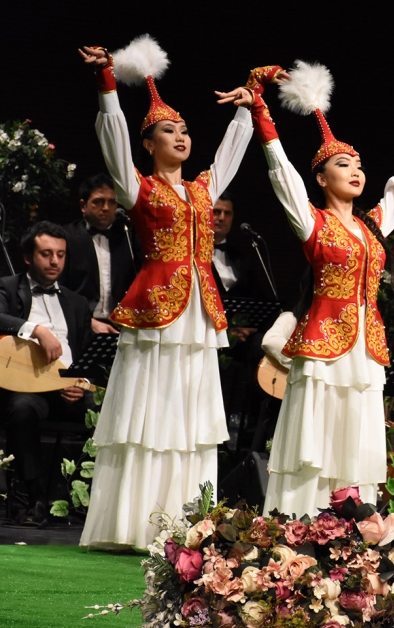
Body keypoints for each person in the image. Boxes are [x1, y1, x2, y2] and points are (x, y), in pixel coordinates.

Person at [216, 61, 394, 516]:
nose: (355, 170)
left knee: (356, 437)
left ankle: (352, 528)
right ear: (321, 179)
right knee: (317, 437)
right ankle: (300, 524)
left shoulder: (371, 228)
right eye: (342, 164)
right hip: (324, 346)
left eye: (359, 165)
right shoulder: (314, 222)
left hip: (365, 348)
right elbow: (283, 175)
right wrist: (264, 115)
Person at [77, 35, 254, 549]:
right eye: (167, 131)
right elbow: (113, 141)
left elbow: (230, 157)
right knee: (150, 410)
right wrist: (107, 83)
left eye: (184, 130)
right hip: (157, 313)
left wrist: (247, 110)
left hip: (199, 314)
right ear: (148, 144)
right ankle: (135, 524)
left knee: (191, 411)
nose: (180, 137)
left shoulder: (203, 190)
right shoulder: (139, 188)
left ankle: (184, 525)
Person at [0, 221, 92, 525]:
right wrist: (35, 329)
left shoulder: (77, 302)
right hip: (28, 384)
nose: (54, 262)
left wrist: (83, 381)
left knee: (113, 412)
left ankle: (95, 504)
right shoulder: (9, 287)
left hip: (68, 387)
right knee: (22, 409)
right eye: (46, 254)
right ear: (28, 257)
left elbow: (89, 355)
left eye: (61, 255)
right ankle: (35, 497)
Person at [60, 173, 140, 335]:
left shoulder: (127, 236)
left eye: (112, 202)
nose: (106, 208)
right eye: (98, 202)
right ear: (83, 206)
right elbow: (60, 289)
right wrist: (87, 321)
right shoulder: (66, 237)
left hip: (121, 326)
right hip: (80, 326)